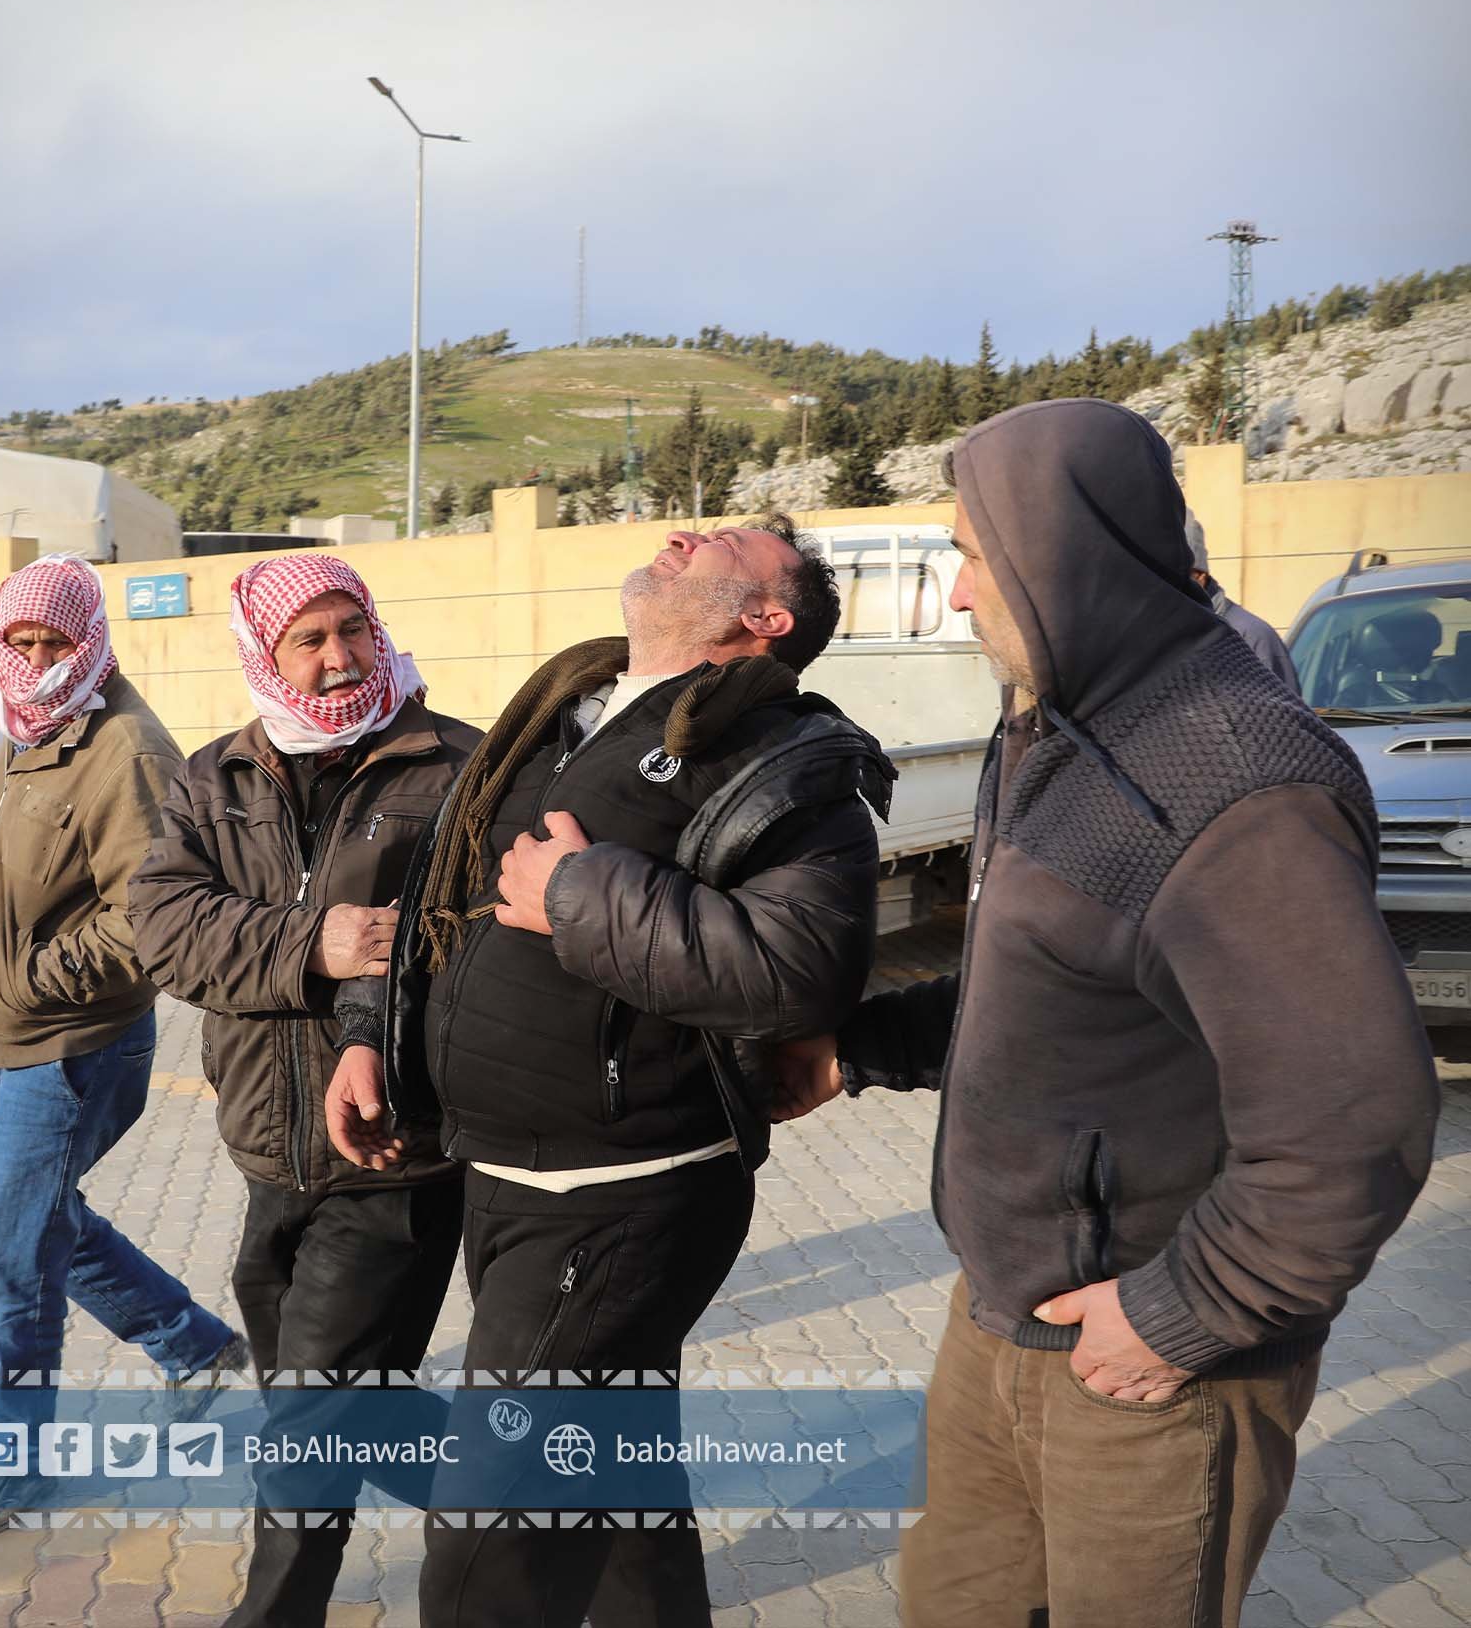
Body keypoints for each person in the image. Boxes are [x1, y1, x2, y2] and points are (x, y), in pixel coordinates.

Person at [774, 400, 1439, 1628]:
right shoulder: (1056, 731)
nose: (959, 597)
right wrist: (856, 1050)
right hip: (999, 1319)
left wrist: (1180, 1311)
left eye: (971, 556)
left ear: (1055, 555)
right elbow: (1038, 987)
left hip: (1147, 1366)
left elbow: (1353, 1120)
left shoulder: (1234, 781)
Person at [327, 516, 889, 1628]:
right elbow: (445, 897)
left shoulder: (785, 761)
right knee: (621, 1485)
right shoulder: (565, 713)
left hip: (622, 1189)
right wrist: (364, 1029)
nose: (681, 533)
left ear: (764, 618)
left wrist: (583, 892)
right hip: (500, 1168)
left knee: (493, 1549)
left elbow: (794, 972)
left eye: (723, 540)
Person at [130, 554, 480, 1628]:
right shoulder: (217, 774)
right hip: (264, 1154)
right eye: (309, 640)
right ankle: (538, 1523)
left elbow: (473, 946)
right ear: (262, 655)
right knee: (336, 1409)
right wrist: (311, 942)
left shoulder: (456, 764)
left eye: (353, 630)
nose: (338, 659)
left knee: (310, 1426)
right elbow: (162, 926)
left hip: (394, 1152)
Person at [0, 553, 244, 1547]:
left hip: (70, 1049)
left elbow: (151, 914)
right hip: (17, 1040)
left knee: (9, 1264)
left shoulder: (122, 747)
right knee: (46, 1222)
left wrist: (34, 976)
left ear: (89, 639)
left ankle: (11, 1465)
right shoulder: (29, 733)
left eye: (52, 642)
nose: (33, 661)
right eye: (17, 642)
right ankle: (191, 1346)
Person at [1183, 511, 1302, 693]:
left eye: (1174, 575)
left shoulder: (1253, 639)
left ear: (1200, 575)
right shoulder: (1159, 637)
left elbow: (1286, 718)